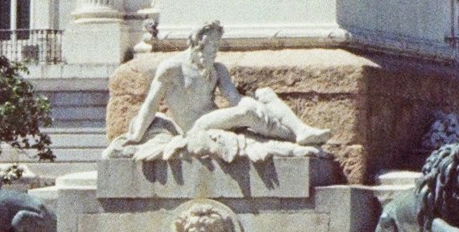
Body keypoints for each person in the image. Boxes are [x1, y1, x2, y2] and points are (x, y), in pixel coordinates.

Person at [109, 20, 328, 155]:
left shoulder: (217, 69)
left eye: (216, 46)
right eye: (211, 47)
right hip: (195, 127)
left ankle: (300, 131)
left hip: (217, 119)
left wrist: (250, 101)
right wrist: (136, 136)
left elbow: (233, 98)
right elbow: (151, 104)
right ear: (197, 45)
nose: (215, 51)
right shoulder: (171, 69)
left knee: (264, 95)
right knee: (247, 113)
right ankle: (292, 137)